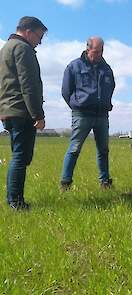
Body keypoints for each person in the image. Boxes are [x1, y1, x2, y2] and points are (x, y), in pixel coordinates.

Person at [0, 16, 47, 210]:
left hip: (8, 110)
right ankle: (16, 202)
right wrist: (38, 115)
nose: (40, 41)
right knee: (21, 156)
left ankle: (13, 199)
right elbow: (29, 85)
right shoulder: (23, 48)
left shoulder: (6, 48)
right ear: (28, 31)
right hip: (21, 111)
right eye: (39, 36)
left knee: (19, 155)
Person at [60, 37, 115, 190]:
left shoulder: (107, 68)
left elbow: (111, 87)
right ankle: (65, 183)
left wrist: (106, 103)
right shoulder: (74, 66)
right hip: (82, 115)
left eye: (101, 51)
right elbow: (66, 91)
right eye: (96, 52)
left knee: (103, 150)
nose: (98, 55)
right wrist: (77, 105)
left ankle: (105, 182)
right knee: (74, 149)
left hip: (102, 115)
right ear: (87, 49)